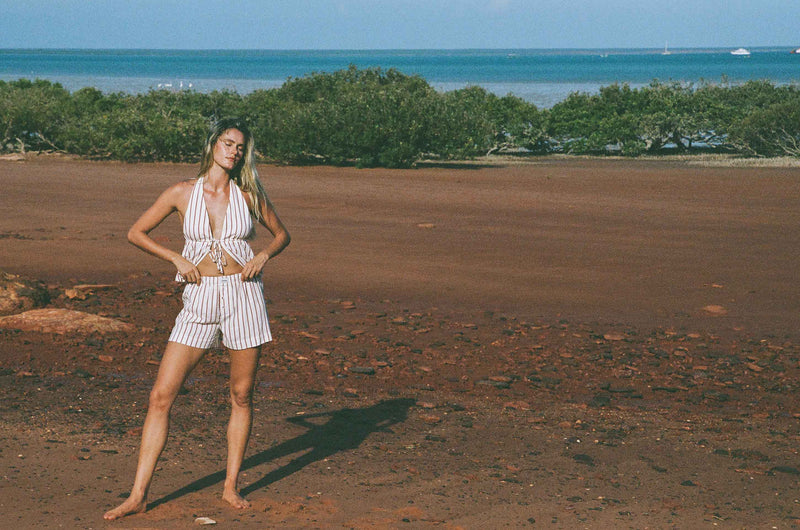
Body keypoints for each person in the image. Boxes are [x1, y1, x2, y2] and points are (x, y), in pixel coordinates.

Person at [104, 117, 290, 520]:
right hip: (200, 298)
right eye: (228, 143)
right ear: (212, 145)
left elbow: (281, 235)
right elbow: (136, 232)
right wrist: (176, 257)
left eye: (240, 147)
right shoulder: (181, 193)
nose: (234, 151)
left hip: (243, 297)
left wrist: (262, 256)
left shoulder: (249, 194)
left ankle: (229, 486)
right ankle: (138, 494)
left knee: (241, 395)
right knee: (160, 396)